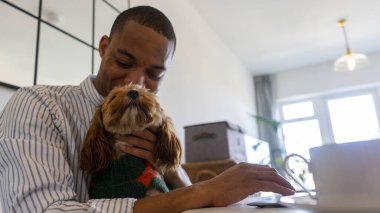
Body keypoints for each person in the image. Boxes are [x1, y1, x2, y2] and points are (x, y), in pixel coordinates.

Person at [0, 5, 295, 213]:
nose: (135, 83)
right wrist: (206, 190)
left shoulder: (154, 125)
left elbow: (181, 194)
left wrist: (167, 168)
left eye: (154, 74)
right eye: (124, 62)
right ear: (104, 47)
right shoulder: (39, 106)